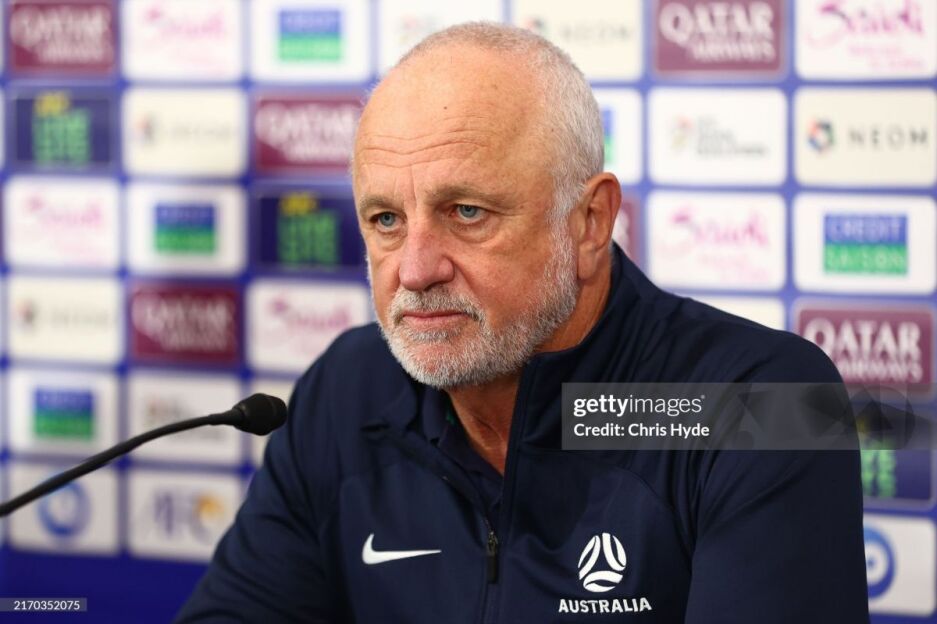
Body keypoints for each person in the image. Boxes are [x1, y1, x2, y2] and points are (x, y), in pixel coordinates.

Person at [176, 23, 869, 623]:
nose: (415, 270)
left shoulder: (762, 402)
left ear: (589, 222)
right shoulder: (345, 390)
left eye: (466, 213)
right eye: (386, 219)